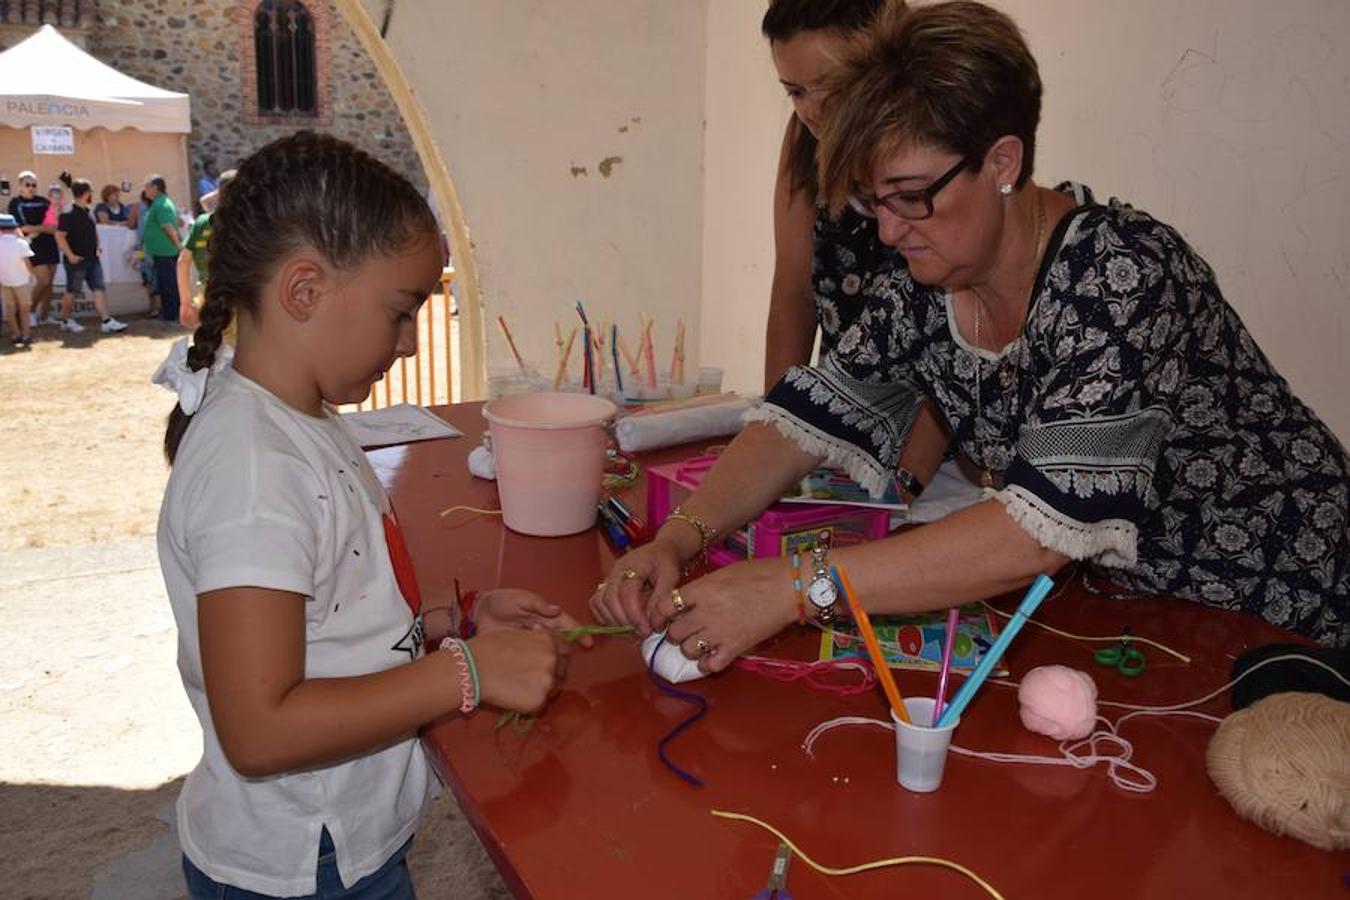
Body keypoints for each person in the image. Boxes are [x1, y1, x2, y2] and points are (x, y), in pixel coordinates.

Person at [593, 0, 1347, 655]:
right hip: (1145, 613)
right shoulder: (930, 276)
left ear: (1002, 161)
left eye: (910, 197)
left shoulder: (1122, 279)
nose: (888, 230)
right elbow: (805, 415)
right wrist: (678, 538)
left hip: (1285, 609)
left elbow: (1037, 530)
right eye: (871, 202)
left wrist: (796, 588)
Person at [157, 131, 580, 899]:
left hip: (340, 841)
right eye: (400, 311)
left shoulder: (302, 420)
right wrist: (467, 674)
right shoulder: (254, 470)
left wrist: (449, 625)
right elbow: (260, 730)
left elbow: (331, 612)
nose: (413, 342)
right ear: (304, 290)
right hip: (298, 865)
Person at [762, 0, 947, 503]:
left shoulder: (933, 139)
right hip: (839, 423)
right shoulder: (805, 137)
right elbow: (793, 294)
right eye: (795, 91)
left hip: (940, 450)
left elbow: (957, 339)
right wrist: (780, 429)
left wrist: (902, 486)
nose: (813, 110)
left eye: (832, 85)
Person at [54, 177, 127, 334]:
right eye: (90, 191)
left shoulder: (89, 211)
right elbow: (59, 236)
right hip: (76, 260)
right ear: (85, 193)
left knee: (98, 288)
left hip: (92, 258)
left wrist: (98, 246)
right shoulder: (68, 213)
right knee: (72, 291)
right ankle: (65, 320)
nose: (92, 194)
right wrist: (71, 255)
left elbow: (93, 231)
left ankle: (106, 321)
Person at [176, 169, 236, 331]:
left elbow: (183, 261)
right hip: (241, 300)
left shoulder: (202, 222)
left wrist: (186, 302)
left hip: (206, 296)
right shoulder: (249, 222)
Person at [8, 171, 58, 327]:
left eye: (34, 185)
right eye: (27, 185)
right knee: (43, 280)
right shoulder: (15, 203)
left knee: (50, 284)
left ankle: (44, 316)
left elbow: (53, 227)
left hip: (50, 243)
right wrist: (42, 228)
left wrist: (39, 229)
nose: (31, 188)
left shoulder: (44, 201)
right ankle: (28, 312)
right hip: (31, 245)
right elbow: (23, 228)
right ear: (20, 187)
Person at [141, 174, 183, 322]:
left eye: (147, 186)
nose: (145, 190)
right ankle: (171, 314)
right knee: (167, 283)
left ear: (155, 188)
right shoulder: (161, 203)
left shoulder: (161, 204)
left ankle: (171, 315)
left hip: (166, 251)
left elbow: (168, 227)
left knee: (168, 284)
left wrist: (178, 246)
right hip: (162, 251)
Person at [0, 213, 34, 347]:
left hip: (4, 280)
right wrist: (31, 274)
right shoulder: (21, 243)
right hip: (21, 279)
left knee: (10, 309)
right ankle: (26, 335)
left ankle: (15, 334)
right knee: (24, 309)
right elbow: (27, 261)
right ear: (14, 228)